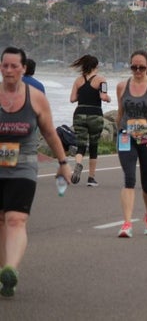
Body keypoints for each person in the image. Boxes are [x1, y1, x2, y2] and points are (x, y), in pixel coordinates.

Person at [0, 46, 72, 298]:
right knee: (1, 220)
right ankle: (4, 275)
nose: (9, 70)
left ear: (23, 68)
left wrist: (63, 163)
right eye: (4, 65)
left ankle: (11, 268)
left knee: (16, 220)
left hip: (23, 166)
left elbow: (50, 132)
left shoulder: (36, 98)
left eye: (13, 66)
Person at [115, 50, 147, 238]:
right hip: (126, 137)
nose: (137, 71)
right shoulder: (122, 86)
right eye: (134, 67)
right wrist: (117, 135)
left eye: (141, 67)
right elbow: (120, 114)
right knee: (129, 179)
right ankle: (126, 223)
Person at [69, 54, 111, 187]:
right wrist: (108, 98)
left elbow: (72, 99)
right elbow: (103, 97)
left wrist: (83, 95)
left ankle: (78, 164)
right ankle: (91, 178)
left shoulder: (78, 80)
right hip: (95, 114)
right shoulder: (101, 79)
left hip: (79, 113)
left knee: (81, 144)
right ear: (96, 66)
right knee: (93, 145)